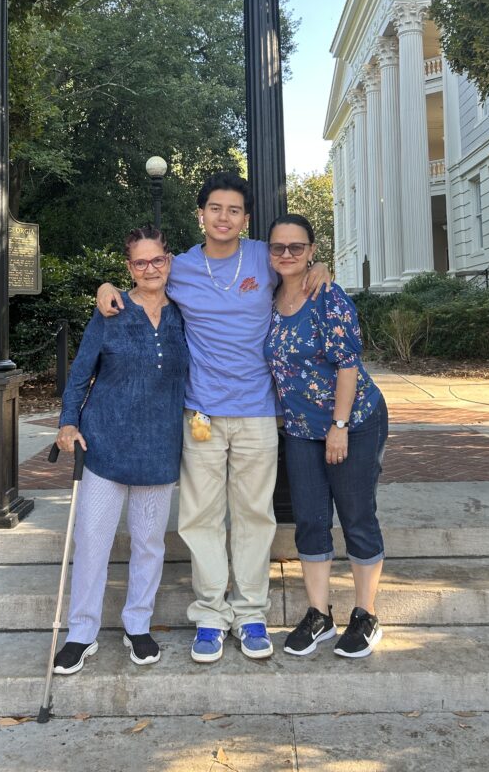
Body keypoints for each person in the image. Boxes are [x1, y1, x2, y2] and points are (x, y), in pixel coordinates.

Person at [96, 172, 331, 664]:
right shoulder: (178, 266)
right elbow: (142, 279)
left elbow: (302, 267)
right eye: (215, 209)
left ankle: (249, 615)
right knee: (201, 517)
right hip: (200, 411)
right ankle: (209, 615)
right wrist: (105, 287)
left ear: (246, 219)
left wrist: (322, 266)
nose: (224, 218)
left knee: (252, 516)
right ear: (200, 214)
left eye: (235, 210)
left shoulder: (263, 260)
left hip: (258, 412)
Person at [53, 226, 188, 673]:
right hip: (106, 442)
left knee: (149, 541)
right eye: (140, 262)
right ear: (129, 267)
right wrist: (68, 421)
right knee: (93, 539)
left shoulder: (184, 312)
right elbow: (80, 372)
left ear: (169, 261)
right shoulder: (110, 310)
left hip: (159, 445)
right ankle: (81, 632)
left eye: (158, 260)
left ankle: (138, 624)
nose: (151, 269)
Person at [264, 213, 388, 659]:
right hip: (300, 429)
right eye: (278, 247)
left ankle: (365, 613)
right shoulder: (267, 294)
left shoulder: (326, 295)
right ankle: (318, 614)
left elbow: (347, 363)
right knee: (312, 520)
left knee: (355, 514)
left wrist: (339, 427)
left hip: (352, 421)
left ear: (312, 251)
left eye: (297, 247)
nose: (287, 255)